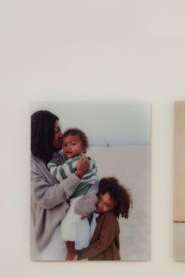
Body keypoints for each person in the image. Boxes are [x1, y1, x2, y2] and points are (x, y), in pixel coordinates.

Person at [30, 111, 97, 261]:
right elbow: (45, 198)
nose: (61, 135)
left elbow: (90, 180)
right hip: (52, 233)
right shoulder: (32, 164)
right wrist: (77, 176)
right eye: (56, 131)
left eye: (60, 129)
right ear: (43, 134)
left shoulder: (62, 155)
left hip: (77, 221)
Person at [48, 128, 99, 260]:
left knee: (67, 224)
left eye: (73, 144)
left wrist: (52, 163)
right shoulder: (90, 160)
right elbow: (95, 175)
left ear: (84, 146)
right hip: (90, 196)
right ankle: (82, 249)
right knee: (81, 224)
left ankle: (71, 253)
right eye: (64, 145)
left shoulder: (73, 162)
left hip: (79, 200)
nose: (67, 148)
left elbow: (59, 175)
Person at [77, 177, 131, 261]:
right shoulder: (92, 213)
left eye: (107, 205)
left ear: (113, 207)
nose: (100, 204)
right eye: (100, 198)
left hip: (108, 260)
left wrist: (78, 255)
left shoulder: (109, 218)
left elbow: (101, 244)